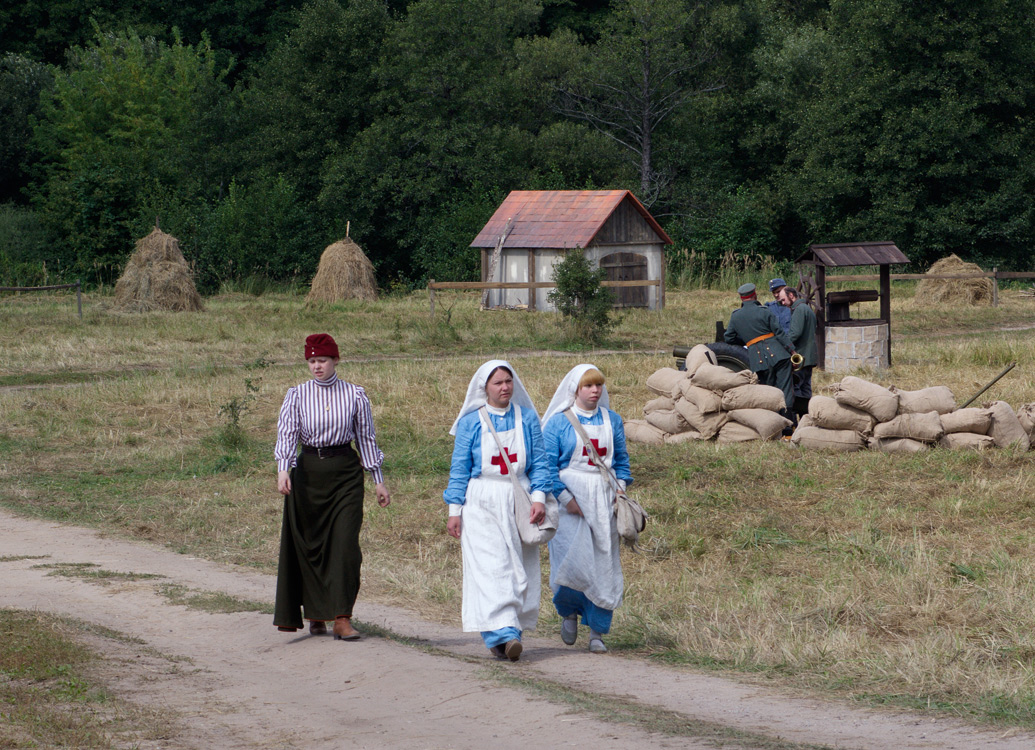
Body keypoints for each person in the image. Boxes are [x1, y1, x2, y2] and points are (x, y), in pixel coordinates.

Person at [273, 333, 391, 640]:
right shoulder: (297, 395)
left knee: (345, 546)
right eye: (311, 361)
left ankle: (342, 617)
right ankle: (315, 614)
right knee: (313, 547)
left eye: (322, 360)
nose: (316, 367)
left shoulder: (354, 395)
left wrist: (378, 481)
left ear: (336, 360)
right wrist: (283, 469)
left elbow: (366, 438)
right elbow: (287, 434)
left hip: (345, 475)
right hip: (308, 475)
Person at [444, 360, 551, 662]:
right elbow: (459, 469)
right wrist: (455, 510)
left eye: (508, 381)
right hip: (481, 501)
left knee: (519, 568)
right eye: (497, 383)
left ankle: (503, 634)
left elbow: (540, 463)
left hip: (519, 498)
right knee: (491, 569)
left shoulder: (527, 419)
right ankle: (505, 634)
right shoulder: (472, 422)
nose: (504, 387)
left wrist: (539, 498)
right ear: (485, 388)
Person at [542, 365, 631, 655]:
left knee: (604, 565)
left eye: (598, 386)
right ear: (575, 390)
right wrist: (566, 498)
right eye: (588, 386)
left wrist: (620, 491)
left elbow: (621, 464)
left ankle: (597, 633)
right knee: (572, 561)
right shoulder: (558, 423)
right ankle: (568, 613)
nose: (595, 391)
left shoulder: (612, 420)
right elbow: (547, 467)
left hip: (603, 498)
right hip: (569, 503)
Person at [724, 283, 797, 420]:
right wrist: (792, 351)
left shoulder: (736, 316)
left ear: (741, 298)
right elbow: (780, 333)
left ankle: (772, 422)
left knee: (767, 392)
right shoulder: (764, 311)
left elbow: (729, 337)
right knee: (785, 390)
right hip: (780, 355)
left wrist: (749, 342)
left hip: (759, 359)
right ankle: (788, 427)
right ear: (754, 295)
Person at [779, 286, 817, 419]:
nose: (782, 303)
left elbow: (795, 334)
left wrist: (783, 346)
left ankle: (800, 420)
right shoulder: (806, 308)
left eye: (783, 299)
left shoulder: (799, 310)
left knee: (798, 389)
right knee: (806, 389)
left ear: (791, 295)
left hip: (801, 356)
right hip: (809, 356)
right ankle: (807, 418)